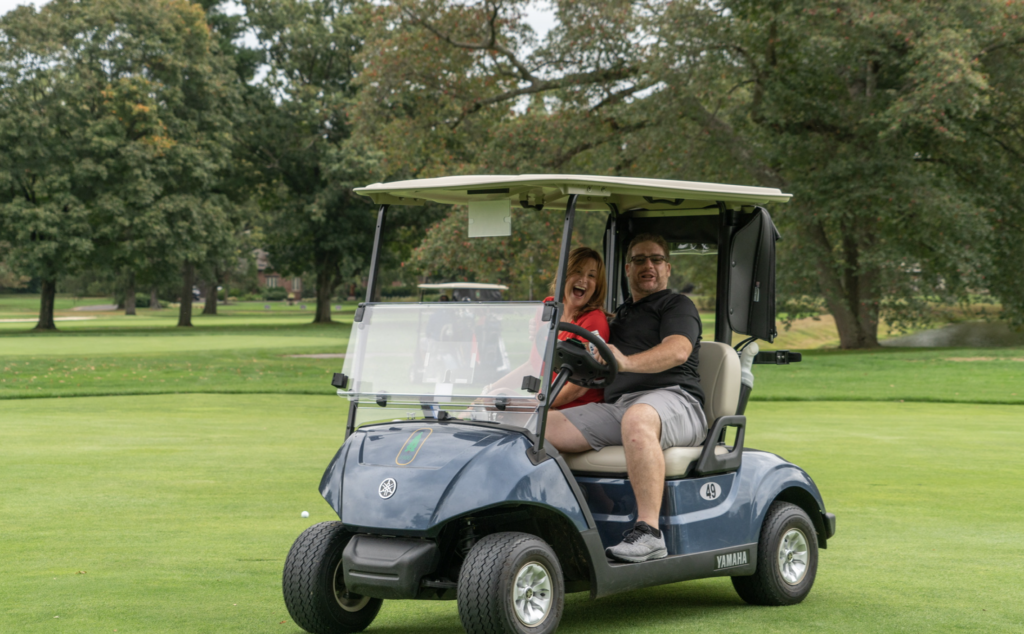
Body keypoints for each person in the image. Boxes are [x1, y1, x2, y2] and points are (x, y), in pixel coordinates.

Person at [545, 233, 706, 563]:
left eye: (656, 259)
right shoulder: (617, 317)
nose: (649, 265)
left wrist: (628, 362)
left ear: (667, 268)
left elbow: (678, 350)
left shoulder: (677, 305)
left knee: (638, 417)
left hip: (676, 402)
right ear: (628, 269)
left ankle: (649, 533)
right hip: (621, 407)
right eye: (640, 260)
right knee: (539, 425)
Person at [484, 246, 610, 409]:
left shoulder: (594, 321)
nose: (583, 280)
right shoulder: (548, 308)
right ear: (564, 275)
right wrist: (487, 391)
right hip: (549, 404)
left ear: (597, 285)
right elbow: (534, 365)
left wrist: (535, 405)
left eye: (591, 276)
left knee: (499, 405)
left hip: (578, 410)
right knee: (493, 399)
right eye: (577, 272)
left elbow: (576, 390)